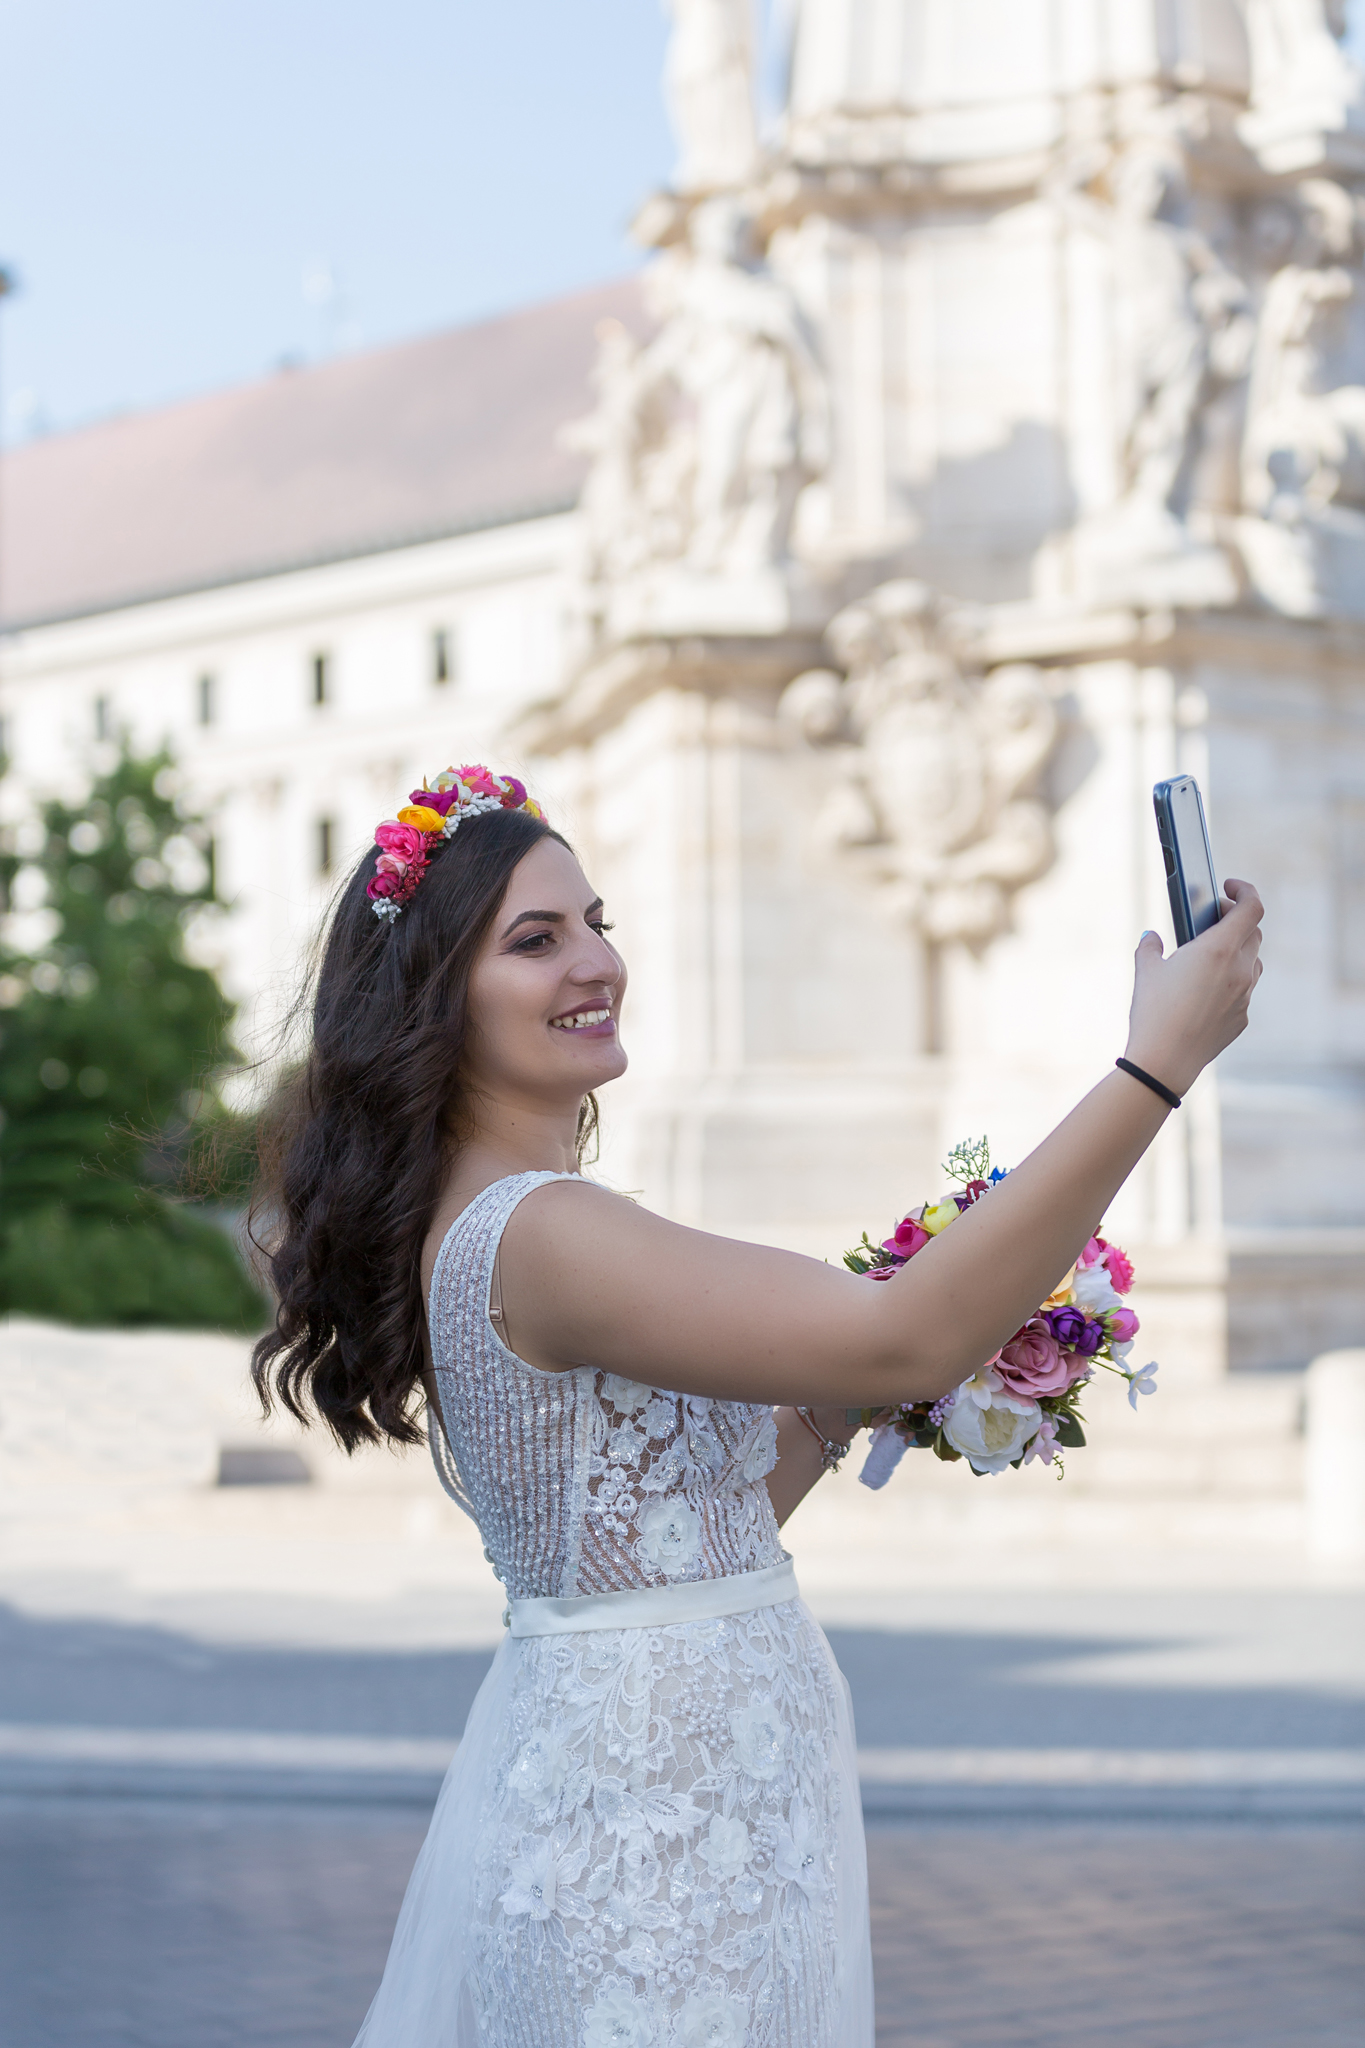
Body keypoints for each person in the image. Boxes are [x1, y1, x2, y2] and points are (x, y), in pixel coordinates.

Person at [252, 765, 1263, 2048]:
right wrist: (1156, 1063)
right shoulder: (543, 1230)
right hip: (663, 1829)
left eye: (598, 920)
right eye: (536, 939)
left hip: (687, 1781)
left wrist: (869, 1394)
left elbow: (697, 1520)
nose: (598, 962)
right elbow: (899, 1328)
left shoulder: (500, 1220)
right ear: (434, 998)